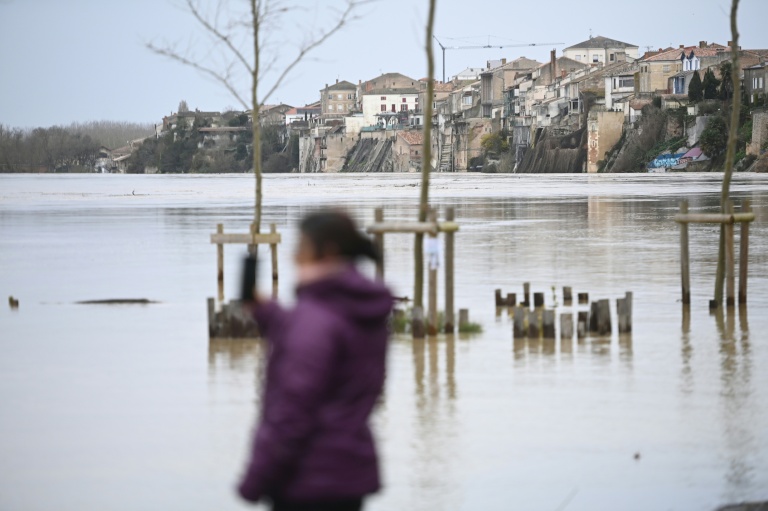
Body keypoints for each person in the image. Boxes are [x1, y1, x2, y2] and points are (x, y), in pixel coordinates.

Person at [237, 210, 393, 511]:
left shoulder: (315, 319)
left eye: (301, 247)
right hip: (348, 475)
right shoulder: (360, 309)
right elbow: (329, 347)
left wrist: (254, 481)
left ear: (327, 251)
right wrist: (271, 315)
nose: (295, 257)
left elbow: (292, 412)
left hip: (306, 481)